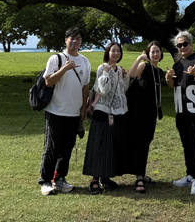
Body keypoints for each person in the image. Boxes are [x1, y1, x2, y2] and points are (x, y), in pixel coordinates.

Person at [38, 26, 91, 196]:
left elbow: (85, 86)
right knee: (52, 148)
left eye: (78, 39)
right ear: (66, 40)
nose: (75, 41)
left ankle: (59, 178)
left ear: (81, 42)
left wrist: (84, 107)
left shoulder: (85, 61)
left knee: (67, 148)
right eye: (72, 38)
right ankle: (45, 180)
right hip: (56, 111)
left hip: (74, 112)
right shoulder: (56, 59)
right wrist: (65, 69)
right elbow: (48, 82)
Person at [83, 41, 130, 194]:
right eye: (113, 51)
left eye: (118, 51)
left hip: (116, 112)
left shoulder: (119, 70)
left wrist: (125, 77)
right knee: (100, 145)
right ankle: (94, 180)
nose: (116, 53)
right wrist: (105, 73)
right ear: (107, 53)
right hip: (102, 112)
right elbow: (103, 90)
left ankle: (106, 176)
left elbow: (122, 90)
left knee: (112, 145)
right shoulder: (102, 68)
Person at [165, 30, 195, 195]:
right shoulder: (177, 64)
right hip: (181, 111)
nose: (182, 47)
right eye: (179, 45)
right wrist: (168, 78)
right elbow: (172, 85)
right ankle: (190, 174)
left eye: (185, 44)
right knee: (186, 145)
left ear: (191, 44)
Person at [124, 40, 164, 193]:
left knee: (146, 141)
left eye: (157, 51)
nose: (155, 54)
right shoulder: (144, 66)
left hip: (151, 111)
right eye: (152, 51)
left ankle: (142, 172)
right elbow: (131, 74)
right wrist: (139, 59)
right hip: (138, 111)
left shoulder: (159, 71)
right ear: (148, 53)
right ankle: (139, 176)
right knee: (139, 142)